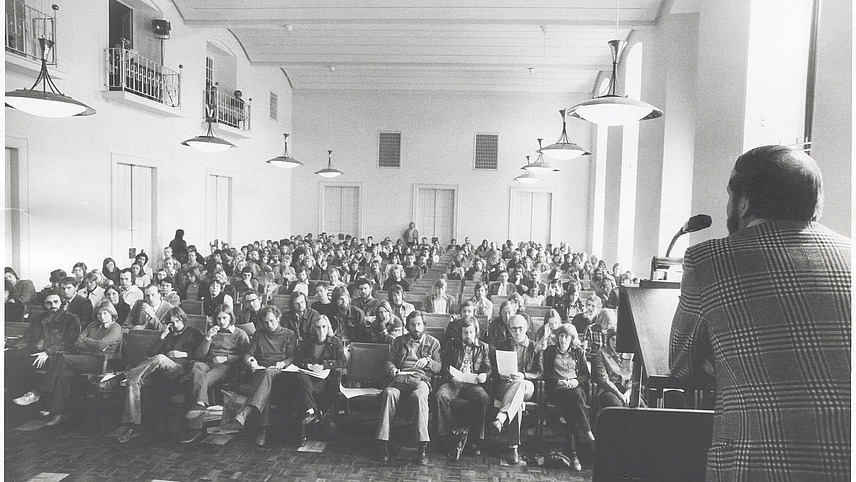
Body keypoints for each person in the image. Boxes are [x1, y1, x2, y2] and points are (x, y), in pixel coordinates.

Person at [669, 145, 850, 480]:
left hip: (757, 464)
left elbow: (682, 365)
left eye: (729, 196)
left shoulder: (709, 259)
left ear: (745, 202)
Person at [115, 306, 204, 443]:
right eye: (170, 322)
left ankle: (123, 375)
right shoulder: (167, 334)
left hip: (179, 369)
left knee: (160, 358)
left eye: (176, 322)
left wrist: (184, 354)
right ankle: (134, 425)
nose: (173, 325)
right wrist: (162, 337)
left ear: (183, 320)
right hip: (159, 372)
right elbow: (150, 356)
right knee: (133, 382)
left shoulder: (194, 333)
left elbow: (200, 355)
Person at [39, 302, 123, 426]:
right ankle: (59, 413)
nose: (102, 316)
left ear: (112, 313)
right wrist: (93, 344)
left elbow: (101, 345)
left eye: (105, 313)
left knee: (64, 359)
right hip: (83, 358)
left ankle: (43, 392)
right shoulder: (92, 325)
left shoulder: (115, 327)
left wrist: (87, 341)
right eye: (99, 313)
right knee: (64, 375)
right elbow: (77, 343)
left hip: (99, 361)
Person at [375, 311, 441, 465]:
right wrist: (392, 369)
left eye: (419, 324)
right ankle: (383, 441)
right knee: (389, 393)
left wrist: (428, 361)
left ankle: (422, 445)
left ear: (424, 325)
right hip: (400, 378)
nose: (416, 328)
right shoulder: (399, 341)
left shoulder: (433, 343)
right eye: (412, 324)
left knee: (419, 396)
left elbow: (439, 367)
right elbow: (389, 361)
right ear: (408, 326)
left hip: (421, 379)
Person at [180, 304, 250, 444]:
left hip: (226, 367)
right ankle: (200, 404)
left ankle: (195, 427)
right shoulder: (212, 332)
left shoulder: (239, 334)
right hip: (208, 363)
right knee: (196, 367)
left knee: (198, 381)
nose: (221, 321)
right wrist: (208, 338)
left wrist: (226, 358)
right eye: (218, 318)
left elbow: (245, 356)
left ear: (231, 317)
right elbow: (200, 355)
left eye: (224, 318)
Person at [229, 305, 297, 446]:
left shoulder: (289, 334)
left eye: (272, 321)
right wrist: (250, 360)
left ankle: (252, 418)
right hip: (261, 369)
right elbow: (249, 353)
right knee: (264, 381)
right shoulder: (259, 334)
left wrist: (283, 363)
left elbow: (292, 356)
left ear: (278, 318)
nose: (269, 325)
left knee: (265, 378)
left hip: (280, 372)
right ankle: (261, 429)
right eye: (265, 322)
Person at [7, 290, 80, 405]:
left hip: (56, 355)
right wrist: (15, 348)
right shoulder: (38, 318)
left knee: (26, 361)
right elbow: (27, 338)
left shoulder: (71, 319)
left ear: (62, 302)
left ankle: (31, 395)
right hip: (36, 350)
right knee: (9, 356)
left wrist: (47, 352)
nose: (53, 305)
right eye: (48, 303)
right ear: (44, 304)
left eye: (56, 302)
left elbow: (68, 342)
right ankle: (11, 395)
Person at [489, 314, 542, 465]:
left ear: (527, 329)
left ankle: (501, 419)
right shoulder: (503, 345)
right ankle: (513, 447)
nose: (517, 332)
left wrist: (524, 375)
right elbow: (493, 368)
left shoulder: (535, 347)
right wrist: (501, 374)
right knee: (516, 401)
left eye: (520, 328)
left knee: (520, 385)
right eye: (513, 329)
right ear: (509, 329)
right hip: (506, 385)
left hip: (527, 385)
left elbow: (540, 372)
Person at [436, 317, 491, 461]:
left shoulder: (483, 347)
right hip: (454, 383)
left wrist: (484, 375)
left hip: (473, 384)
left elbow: (487, 367)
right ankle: (449, 434)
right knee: (440, 395)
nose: (468, 336)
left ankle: (474, 439)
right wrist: (452, 378)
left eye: (471, 332)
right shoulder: (452, 345)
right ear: (460, 333)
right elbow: (445, 366)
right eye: (465, 333)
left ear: (476, 332)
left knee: (483, 397)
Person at [543, 324, 592, 471]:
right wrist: (559, 381)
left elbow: (586, 375)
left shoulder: (578, 352)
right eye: (561, 336)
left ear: (572, 339)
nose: (564, 340)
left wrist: (576, 381)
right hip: (557, 389)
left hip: (575, 388)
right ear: (557, 337)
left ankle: (573, 454)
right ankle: (588, 432)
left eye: (567, 337)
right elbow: (544, 374)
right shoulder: (549, 352)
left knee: (572, 407)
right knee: (575, 398)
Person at [293, 315, 347, 446]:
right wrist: (308, 365)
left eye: (324, 327)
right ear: (314, 329)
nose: (321, 330)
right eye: (318, 327)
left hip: (325, 379)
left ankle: (310, 415)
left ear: (328, 328)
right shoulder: (309, 341)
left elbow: (342, 362)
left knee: (303, 390)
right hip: (308, 376)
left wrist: (324, 365)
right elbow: (298, 360)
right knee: (300, 377)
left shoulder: (336, 342)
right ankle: (312, 410)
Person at [593, 329, 633, 408]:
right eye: (612, 339)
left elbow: (634, 378)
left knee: (641, 407)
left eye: (618, 339)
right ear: (608, 341)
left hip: (627, 389)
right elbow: (604, 379)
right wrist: (619, 394)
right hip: (609, 389)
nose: (615, 343)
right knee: (617, 407)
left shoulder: (630, 354)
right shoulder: (602, 353)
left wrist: (628, 393)